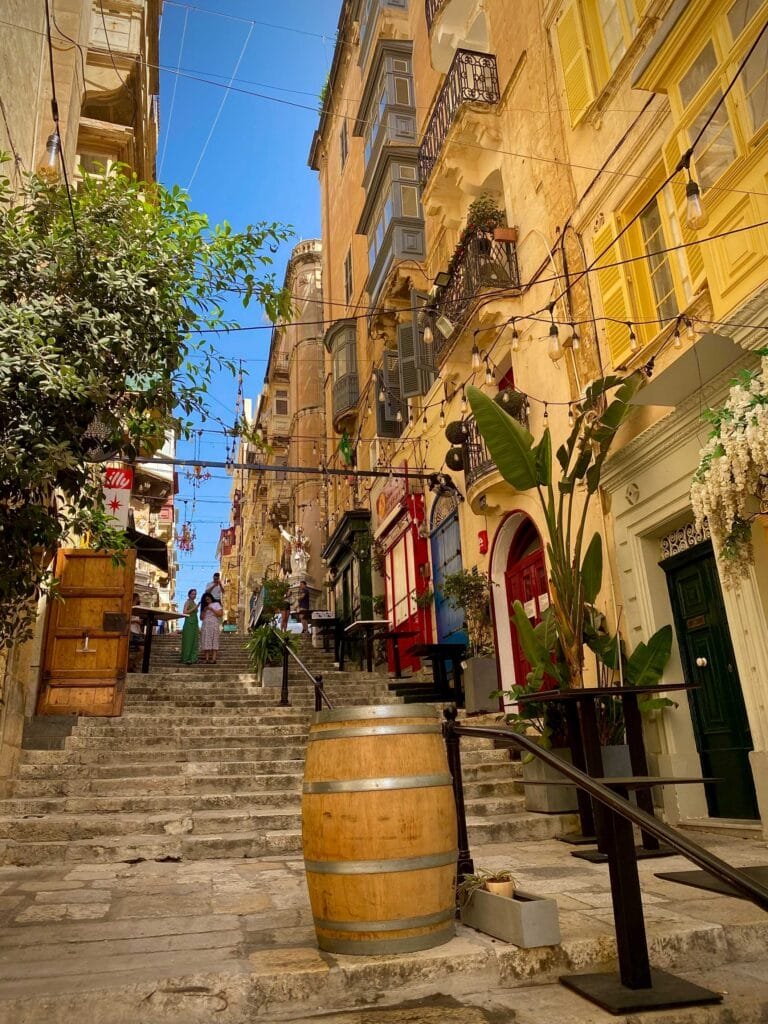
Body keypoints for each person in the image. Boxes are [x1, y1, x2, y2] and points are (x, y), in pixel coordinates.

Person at [199, 591, 223, 664]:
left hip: (214, 624)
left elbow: (220, 614)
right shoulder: (204, 607)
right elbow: (201, 618)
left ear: (211, 598)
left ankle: (214, 659)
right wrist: (204, 611)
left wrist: (212, 609)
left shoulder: (216, 604)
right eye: (206, 600)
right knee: (206, 640)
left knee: (214, 640)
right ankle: (206, 659)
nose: (207, 600)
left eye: (208, 599)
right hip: (206, 625)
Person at [180, 589, 199, 664]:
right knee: (188, 640)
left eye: (195, 594)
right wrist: (195, 608)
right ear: (189, 595)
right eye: (192, 594)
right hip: (189, 623)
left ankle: (193, 658)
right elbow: (184, 612)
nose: (194, 595)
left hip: (194, 622)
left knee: (194, 641)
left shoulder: (194, 602)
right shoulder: (187, 602)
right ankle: (186, 658)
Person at [128, 592, 144, 672]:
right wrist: (135, 621)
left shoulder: (137, 608)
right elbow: (125, 619)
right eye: (138, 597)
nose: (139, 598)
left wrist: (140, 631)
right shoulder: (128, 607)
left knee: (142, 649)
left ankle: (133, 664)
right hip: (130, 631)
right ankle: (130, 666)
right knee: (127, 650)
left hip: (137, 632)